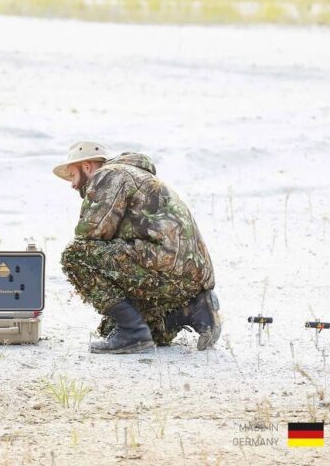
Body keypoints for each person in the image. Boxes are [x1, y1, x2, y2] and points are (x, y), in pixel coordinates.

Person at [54, 141, 220, 353]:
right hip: (189, 277)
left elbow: (90, 234)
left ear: (86, 166)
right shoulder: (139, 176)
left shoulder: (108, 175)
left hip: (165, 266)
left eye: (72, 176)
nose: (73, 184)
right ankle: (192, 309)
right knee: (114, 329)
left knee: (75, 255)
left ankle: (133, 333)